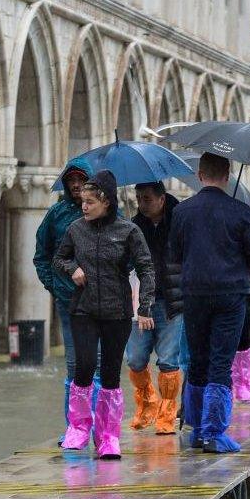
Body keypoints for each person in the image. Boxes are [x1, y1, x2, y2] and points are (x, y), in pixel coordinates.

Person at [53, 170, 156, 460]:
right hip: (83, 309)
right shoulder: (76, 229)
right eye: (82, 201)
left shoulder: (128, 231)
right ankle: (78, 429)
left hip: (117, 312)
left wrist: (145, 306)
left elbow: (147, 269)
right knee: (84, 366)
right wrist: (72, 268)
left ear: (106, 202)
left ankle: (108, 437)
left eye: (89, 202)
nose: (83, 206)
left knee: (110, 374)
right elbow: (59, 258)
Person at [169, 153, 250, 453]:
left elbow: (174, 253)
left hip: (194, 294)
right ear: (227, 175)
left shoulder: (182, 211)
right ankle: (214, 432)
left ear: (199, 175)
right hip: (230, 295)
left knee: (197, 360)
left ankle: (197, 430)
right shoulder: (240, 211)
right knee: (220, 362)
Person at [34, 158, 100, 441]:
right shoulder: (56, 215)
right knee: (75, 363)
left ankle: (99, 426)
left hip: (101, 300)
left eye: (81, 180)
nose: (75, 185)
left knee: (97, 361)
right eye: (71, 180)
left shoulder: (105, 214)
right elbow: (42, 255)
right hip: (68, 300)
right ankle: (75, 426)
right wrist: (54, 285)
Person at [125, 182, 185, 434]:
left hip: (173, 301)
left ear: (162, 199)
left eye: (147, 198)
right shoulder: (133, 226)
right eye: (138, 198)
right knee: (136, 358)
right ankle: (147, 403)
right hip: (141, 303)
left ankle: (167, 415)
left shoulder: (180, 221)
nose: (141, 203)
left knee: (169, 360)